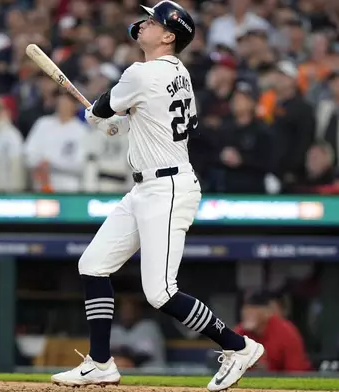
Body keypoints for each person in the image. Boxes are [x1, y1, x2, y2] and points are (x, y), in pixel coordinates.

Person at [50, 2, 264, 390]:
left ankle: (238, 347)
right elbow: (143, 115)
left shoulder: (142, 72)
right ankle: (101, 363)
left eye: (154, 21)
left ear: (169, 35)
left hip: (166, 188)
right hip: (146, 187)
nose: (144, 23)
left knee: (161, 292)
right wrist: (115, 120)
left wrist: (99, 118)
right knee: (93, 264)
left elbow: (101, 107)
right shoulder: (179, 73)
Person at [234, 291, 312, 372]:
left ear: (267, 313)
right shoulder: (239, 333)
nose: (248, 313)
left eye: (254, 309)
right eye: (246, 309)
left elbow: (296, 372)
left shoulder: (286, 332)